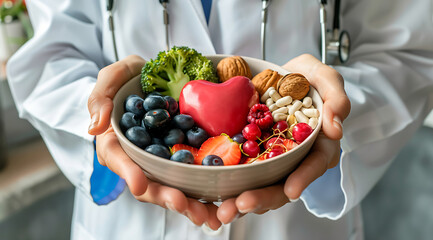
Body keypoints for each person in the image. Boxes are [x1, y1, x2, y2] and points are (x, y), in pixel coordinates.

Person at [6, 0, 433, 239]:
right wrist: (104, 118)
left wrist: (329, 112)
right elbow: (49, 54)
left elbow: (407, 51)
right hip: (129, 224)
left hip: (293, 223)